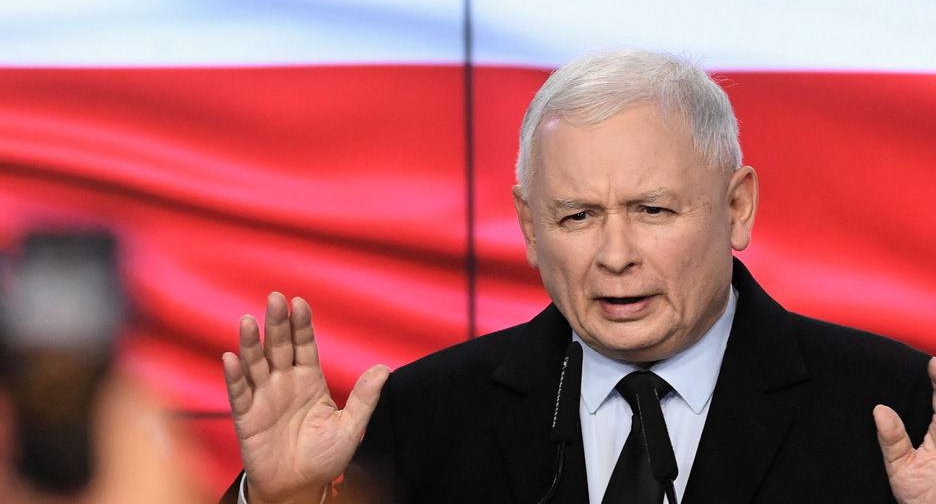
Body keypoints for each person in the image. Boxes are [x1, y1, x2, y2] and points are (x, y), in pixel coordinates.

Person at [221, 50, 936, 503]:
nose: (614, 255)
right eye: (577, 216)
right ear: (531, 228)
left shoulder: (892, 409)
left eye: (652, 210)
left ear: (737, 207)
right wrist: (284, 499)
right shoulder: (423, 418)